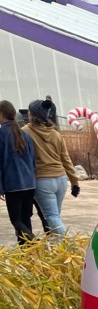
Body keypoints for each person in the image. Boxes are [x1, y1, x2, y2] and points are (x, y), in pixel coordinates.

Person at [22, 98, 80, 235]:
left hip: (42, 180)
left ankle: (70, 243)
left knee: (52, 217)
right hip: (61, 179)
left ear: (32, 115)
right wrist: (74, 181)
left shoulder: (25, 132)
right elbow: (66, 159)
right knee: (56, 217)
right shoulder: (56, 134)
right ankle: (59, 248)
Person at [0, 99, 37, 244]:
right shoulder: (25, 134)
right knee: (25, 220)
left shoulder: (2, 134)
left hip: (13, 185)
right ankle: (27, 253)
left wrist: (1, 187)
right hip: (29, 183)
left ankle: (35, 242)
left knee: (16, 220)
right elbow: (32, 160)